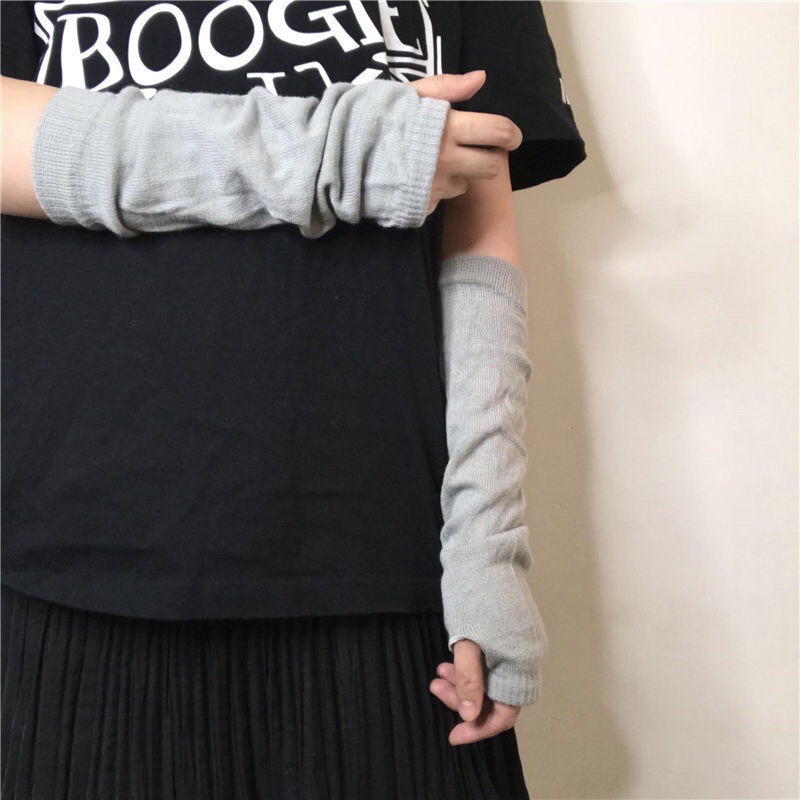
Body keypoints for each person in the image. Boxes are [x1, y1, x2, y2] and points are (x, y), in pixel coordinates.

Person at [0, 2, 586, 798]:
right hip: (71, 570)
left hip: (385, 570)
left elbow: (479, 240)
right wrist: (330, 150)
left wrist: (489, 545)